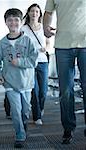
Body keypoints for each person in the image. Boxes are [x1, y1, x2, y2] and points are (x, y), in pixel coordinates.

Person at [0, 8, 38, 148]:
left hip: (26, 82)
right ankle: (20, 135)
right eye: (10, 20)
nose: (13, 22)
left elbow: (33, 60)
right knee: (16, 111)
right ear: (6, 22)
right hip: (10, 82)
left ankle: (23, 125)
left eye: (16, 19)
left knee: (25, 111)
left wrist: (21, 62)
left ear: (21, 21)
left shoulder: (27, 41)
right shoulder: (2, 44)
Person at [43, 0, 86, 144]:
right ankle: (68, 128)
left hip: (85, 44)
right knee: (66, 90)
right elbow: (48, 13)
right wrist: (46, 27)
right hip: (62, 46)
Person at [22, 3, 50, 125]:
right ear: (28, 13)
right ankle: (37, 116)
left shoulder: (43, 28)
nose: (34, 14)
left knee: (43, 90)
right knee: (35, 90)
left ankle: (40, 108)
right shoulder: (23, 29)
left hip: (43, 61)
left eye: (37, 12)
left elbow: (48, 43)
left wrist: (46, 48)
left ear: (40, 14)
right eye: (32, 11)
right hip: (30, 63)